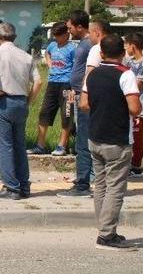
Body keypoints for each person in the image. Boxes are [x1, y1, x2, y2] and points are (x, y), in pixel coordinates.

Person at [80, 34, 141, 251]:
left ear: (101, 53)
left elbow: (84, 104)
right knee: (115, 188)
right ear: (123, 53)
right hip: (117, 138)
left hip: (95, 136)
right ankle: (106, 236)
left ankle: (105, 228)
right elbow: (135, 108)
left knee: (101, 185)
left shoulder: (92, 74)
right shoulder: (126, 74)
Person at [0, 22, 42, 200]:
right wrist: (28, 101)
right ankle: (23, 185)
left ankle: (11, 187)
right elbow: (38, 82)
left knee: (5, 147)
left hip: (4, 100)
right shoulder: (25, 56)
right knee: (19, 146)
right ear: (14, 37)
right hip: (21, 101)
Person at [58, 10, 95, 198]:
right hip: (79, 94)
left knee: (83, 142)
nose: (69, 30)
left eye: (70, 26)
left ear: (79, 26)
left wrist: (83, 92)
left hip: (85, 97)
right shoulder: (83, 44)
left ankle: (83, 184)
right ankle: (84, 178)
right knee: (82, 138)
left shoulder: (90, 45)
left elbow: (90, 71)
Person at [28, 22, 75, 155]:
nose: (56, 38)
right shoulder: (52, 45)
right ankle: (40, 145)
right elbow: (47, 53)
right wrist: (50, 64)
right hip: (52, 83)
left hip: (67, 84)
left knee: (66, 115)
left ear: (66, 34)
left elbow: (76, 67)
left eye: (59, 35)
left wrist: (74, 87)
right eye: (55, 35)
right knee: (44, 113)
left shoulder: (72, 49)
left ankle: (62, 146)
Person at [124, 32, 143, 175]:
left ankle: (136, 166)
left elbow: (137, 86)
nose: (126, 48)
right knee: (128, 135)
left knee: (136, 136)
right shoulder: (129, 62)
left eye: (127, 44)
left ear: (133, 46)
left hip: (139, 106)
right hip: (127, 104)